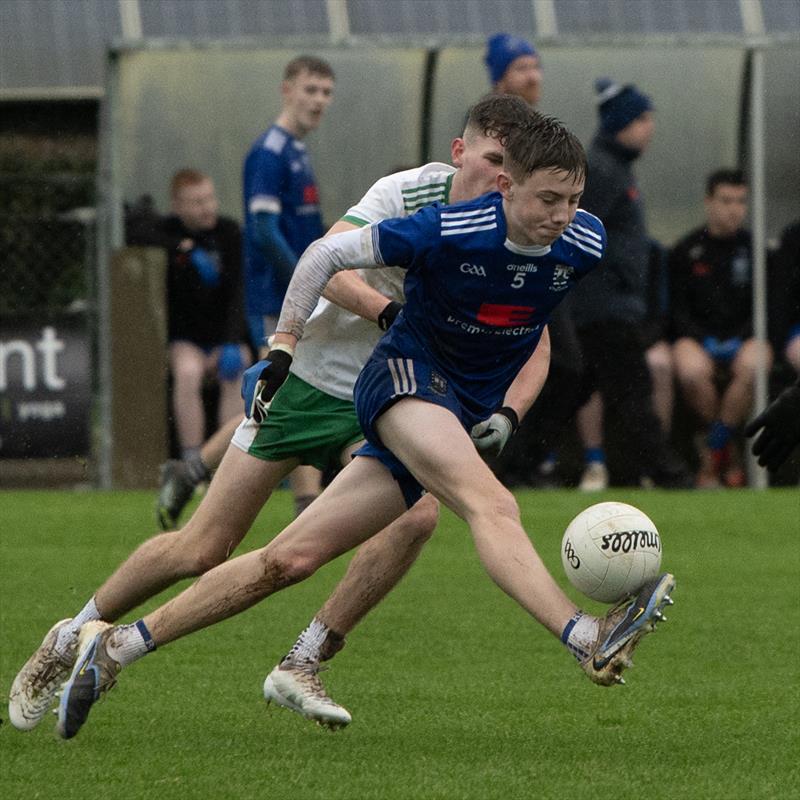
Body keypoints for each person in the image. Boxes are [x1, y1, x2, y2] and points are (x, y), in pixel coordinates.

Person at [49, 113, 675, 740]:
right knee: (491, 503)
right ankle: (584, 635)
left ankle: (118, 647)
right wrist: (283, 345)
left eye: (573, 199)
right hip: (401, 381)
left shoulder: (584, 240)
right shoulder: (450, 227)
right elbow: (324, 254)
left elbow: (535, 327)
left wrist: (508, 410)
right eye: (548, 199)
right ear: (506, 187)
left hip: (453, 404)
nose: (562, 214)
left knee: (288, 560)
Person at [157, 55, 336, 528]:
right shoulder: (269, 152)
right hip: (278, 299)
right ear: (287, 90)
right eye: (310, 89)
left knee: (295, 394)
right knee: (280, 396)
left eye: (326, 92)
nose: (319, 100)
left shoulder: (295, 150)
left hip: (295, 295)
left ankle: (303, 504)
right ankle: (196, 472)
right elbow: (262, 230)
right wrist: (309, 278)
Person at [563, 78, 689, 489]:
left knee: (573, 388)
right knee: (632, 390)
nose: (650, 127)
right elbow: (576, 230)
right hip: (603, 306)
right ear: (620, 122)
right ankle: (667, 473)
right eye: (642, 119)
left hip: (610, 304)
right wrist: (609, 283)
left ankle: (517, 463)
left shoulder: (615, 168)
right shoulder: (601, 170)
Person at [145, 169, 249, 488]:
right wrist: (183, 248)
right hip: (187, 339)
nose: (207, 208)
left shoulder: (229, 232)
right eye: (197, 202)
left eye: (210, 199)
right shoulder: (168, 230)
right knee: (188, 372)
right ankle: (192, 464)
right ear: (177, 206)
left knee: (237, 371)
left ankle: (227, 464)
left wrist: (231, 340)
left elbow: (238, 293)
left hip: (223, 337)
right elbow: (134, 228)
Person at [670, 169, 773, 488]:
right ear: (709, 202)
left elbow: (768, 307)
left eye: (741, 201)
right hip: (697, 338)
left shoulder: (757, 250)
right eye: (726, 201)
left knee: (754, 366)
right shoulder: (687, 249)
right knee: (691, 371)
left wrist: (741, 338)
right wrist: (703, 340)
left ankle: (714, 446)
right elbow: (676, 311)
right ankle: (728, 450)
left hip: (745, 338)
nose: (734, 209)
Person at [485, 33, 543, 107]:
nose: (534, 78)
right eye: (522, 68)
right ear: (500, 80)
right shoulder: (487, 114)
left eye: (536, 67)